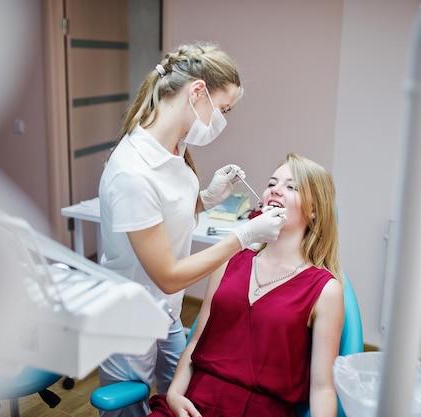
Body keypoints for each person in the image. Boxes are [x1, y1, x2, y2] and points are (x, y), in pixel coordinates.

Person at [97, 42, 287, 417]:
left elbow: (166, 213)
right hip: (129, 319)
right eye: (224, 109)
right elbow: (168, 275)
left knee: (182, 402)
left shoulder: (173, 146)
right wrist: (244, 237)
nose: (223, 120)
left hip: (166, 312)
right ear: (197, 91)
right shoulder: (132, 173)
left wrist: (208, 197)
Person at [147, 153, 345, 417]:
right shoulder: (228, 260)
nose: (275, 189)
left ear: (314, 210)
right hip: (193, 403)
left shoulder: (325, 290)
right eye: (272, 183)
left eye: (291, 186)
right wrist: (174, 394)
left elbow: (322, 389)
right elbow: (195, 342)